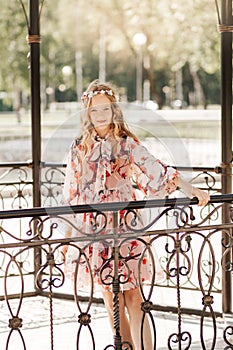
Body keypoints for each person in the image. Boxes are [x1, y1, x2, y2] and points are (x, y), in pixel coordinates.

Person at [61, 79, 210, 350]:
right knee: (110, 297)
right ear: (87, 113)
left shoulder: (127, 143)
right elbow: (71, 194)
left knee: (133, 295)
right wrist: (69, 236)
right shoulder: (78, 147)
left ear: (115, 110)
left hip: (126, 227)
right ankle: (125, 347)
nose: (100, 116)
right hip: (95, 231)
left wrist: (190, 188)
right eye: (94, 111)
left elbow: (156, 169)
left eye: (106, 109)